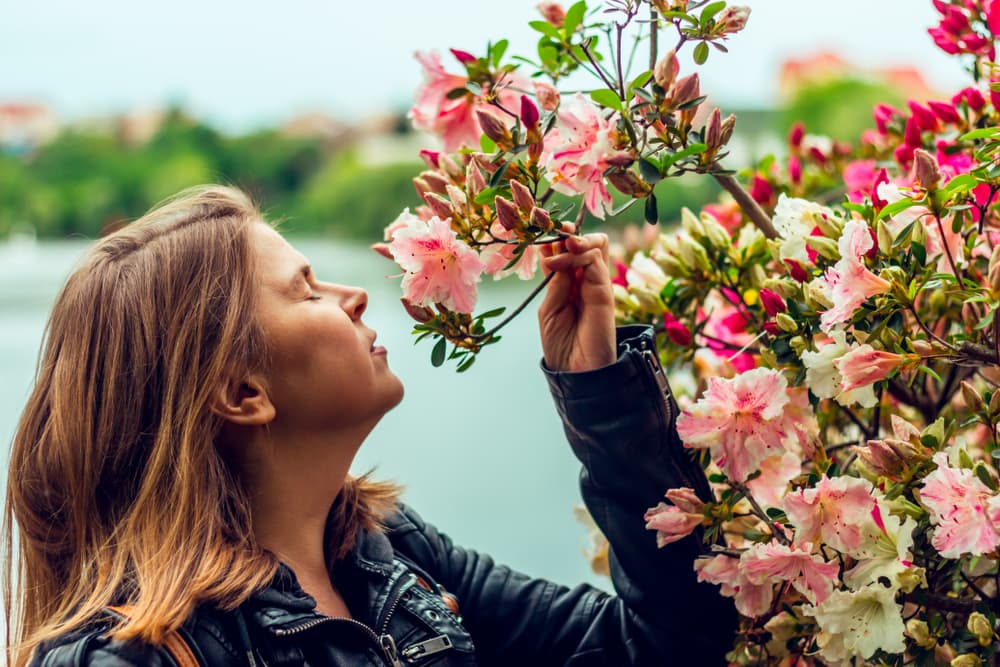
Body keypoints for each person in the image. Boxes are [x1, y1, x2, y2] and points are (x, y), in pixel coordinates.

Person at [3, 185, 735, 666]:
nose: (353, 294)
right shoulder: (129, 656)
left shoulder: (389, 553)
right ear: (241, 391)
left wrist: (599, 390)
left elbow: (665, 645)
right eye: (307, 291)